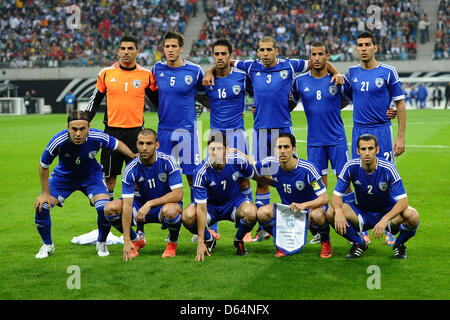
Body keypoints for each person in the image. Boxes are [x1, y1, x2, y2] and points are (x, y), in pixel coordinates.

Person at [203, 36, 343, 242]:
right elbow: (224, 63)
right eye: (262, 50)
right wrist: (209, 71)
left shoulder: (290, 65)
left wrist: (336, 72)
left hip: (283, 130)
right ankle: (262, 227)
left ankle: (312, 221)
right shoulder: (251, 66)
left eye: (269, 49)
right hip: (260, 130)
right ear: (258, 52)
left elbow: (316, 61)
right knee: (260, 178)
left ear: (277, 51)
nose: (265, 53)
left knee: (294, 177)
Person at [34, 111, 136, 259]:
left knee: (103, 208)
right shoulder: (58, 140)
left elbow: (117, 144)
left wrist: (132, 156)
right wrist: (44, 193)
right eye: (74, 129)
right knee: (41, 207)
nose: (78, 133)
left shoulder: (97, 136)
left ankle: (101, 242)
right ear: (68, 128)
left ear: (89, 127)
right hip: (63, 178)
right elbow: (43, 165)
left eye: (82, 129)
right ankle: (47, 245)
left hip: (91, 177)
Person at [345, 31, 405, 245]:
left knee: (386, 177)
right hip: (359, 131)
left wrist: (401, 137)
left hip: (381, 131)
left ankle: (389, 225)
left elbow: (400, 104)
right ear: (356, 48)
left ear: (375, 48)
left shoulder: (388, 72)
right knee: (358, 176)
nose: (363, 48)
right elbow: (344, 98)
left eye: (367, 44)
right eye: (360, 44)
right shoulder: (351, 73)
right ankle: (361, 224)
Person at [85, 35, 158, 205]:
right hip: (111, 133)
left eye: (130, 48)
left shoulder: (146, 75)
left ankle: (136, 223)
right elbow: (94, 100)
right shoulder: (106, 73)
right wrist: (85, 120)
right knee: (109, 180)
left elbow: (160, 102)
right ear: (118, 51)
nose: (126, 52)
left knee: (137, 181)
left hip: (136, 135)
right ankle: (108, 222)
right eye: (123, 48)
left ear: (137, 52)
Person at [326, 134, 420, 259]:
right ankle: (359, 243)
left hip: (388, 213)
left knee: (413, 215)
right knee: (331, 212)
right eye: (363, 149)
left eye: (370, 148)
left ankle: (399, 245)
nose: (367, 153)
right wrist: (338, 211)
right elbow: (336, 196)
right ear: (357, 151)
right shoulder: (350, 167)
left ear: (377, 150)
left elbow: (403, 201)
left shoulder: (388, 168)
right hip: (362, 213)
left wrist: (385, 219)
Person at [202, 38, 255, 242]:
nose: (220, 57)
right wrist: (212, 105)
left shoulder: (241, 77)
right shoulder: (208, 79)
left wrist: (251, 107)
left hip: (237, 133)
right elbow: (200, 96)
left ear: (230, 56)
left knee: (243, 178)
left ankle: (246, 225)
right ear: (213, 56)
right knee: (212, 178)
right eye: (217, 54)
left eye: (224, 53)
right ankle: (211, 226)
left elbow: (256, 91)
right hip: (215, 135)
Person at [246, 133, 331, 258]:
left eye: (286, 147)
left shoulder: (307, 169)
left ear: (293, 149)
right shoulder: (271, 163)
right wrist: (236, 152)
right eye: (279, 147)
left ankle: (325, 242)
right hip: (288, 212)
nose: (282, 151)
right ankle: (284, 241)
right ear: (275, 150)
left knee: (318, 214)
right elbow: (252, 166)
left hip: (309, 212)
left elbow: (324, 198)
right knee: (262, 213)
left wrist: (303, 206)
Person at [104, 128, 184, 261]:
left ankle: (172, 243)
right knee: (109, 209)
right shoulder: (131, 169)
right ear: (136, 145)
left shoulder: (168, 161)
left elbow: (178, 194)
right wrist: (126, 239)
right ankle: (135, 240)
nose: (144, 148)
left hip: (162, 206)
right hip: (139, 206)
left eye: (149, 143)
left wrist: (150, 204)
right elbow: (128, 205)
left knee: (171, 211)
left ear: (156, 145)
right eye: (141, 143)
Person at [151, 30, 208, 209]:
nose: (170, 49)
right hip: (164, 131)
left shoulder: (194, 70)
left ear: (181, 48)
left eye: (173, 46)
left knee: (193, 174)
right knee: (164, 174)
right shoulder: (156, 69)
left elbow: (204, 95)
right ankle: (171, 214)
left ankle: (196, 216)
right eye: (167, 46)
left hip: (187, 131)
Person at [183, 132, 258, 261]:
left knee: (251, 212)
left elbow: (252, 176)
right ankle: (209, 239)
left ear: (226, 150)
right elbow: (201, 208)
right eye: (212, 149)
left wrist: (273, 183)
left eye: (219, 149)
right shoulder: (200, 172)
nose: (215, 152)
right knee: (187, 216)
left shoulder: (237, 160)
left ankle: (238, 239)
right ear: (208, 150)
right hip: (210, 207)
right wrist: (200, 241)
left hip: (233, 203)